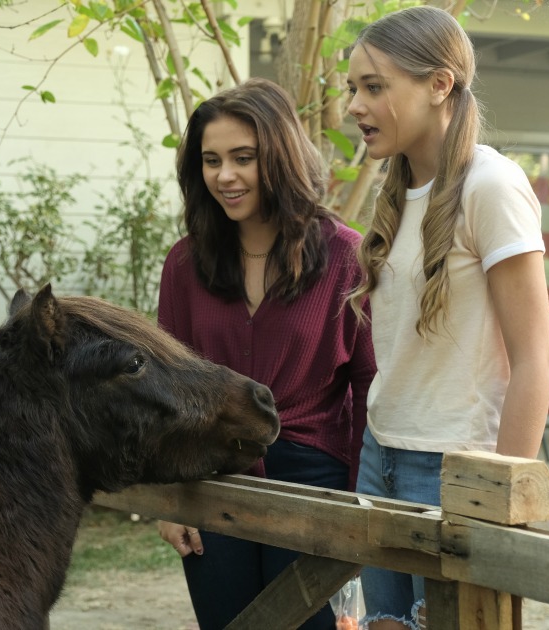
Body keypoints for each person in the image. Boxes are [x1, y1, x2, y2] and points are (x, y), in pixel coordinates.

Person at [344, 6, 549, 629]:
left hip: (454, 467)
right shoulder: (397, 187)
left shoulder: (492, 185)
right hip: (378, 452)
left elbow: (535, 357)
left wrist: (500, 498)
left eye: (374, 87)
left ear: (440, 85)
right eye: (352, 87)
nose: (354, 105)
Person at [156, 77, 376, 630]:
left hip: (314, 483)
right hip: (211, 478)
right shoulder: (185, 265)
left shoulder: (346, 257)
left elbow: (367, 386)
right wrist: (169, 496)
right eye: (211, 160)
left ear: (277, 156)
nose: (224, 176)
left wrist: (358, 503)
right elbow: (165, 387)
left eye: (243, 157)